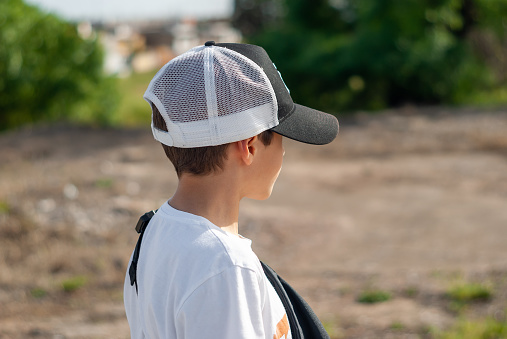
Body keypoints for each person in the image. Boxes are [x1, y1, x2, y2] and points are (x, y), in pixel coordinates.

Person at [124, 41, 339, 339]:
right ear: (249, 146)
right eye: (280, 136)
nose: (285, 151)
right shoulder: (225, 267)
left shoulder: (153, 233)